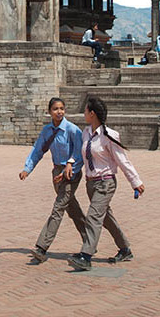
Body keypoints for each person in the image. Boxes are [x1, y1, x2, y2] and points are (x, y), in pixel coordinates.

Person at [70, 96, 143, 271]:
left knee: (94, 216)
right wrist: (71, 164)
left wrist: (135, 181)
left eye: (86, 111)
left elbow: (122, 160)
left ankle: (86, 256)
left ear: (92, 113)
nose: (84, 114)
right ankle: (124, 249)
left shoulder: (109, 135)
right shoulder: (86, 133)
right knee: (105, 218)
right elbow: (83, 156)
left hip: (105, 183)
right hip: (91, 184)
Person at [19, 97, 88, 263]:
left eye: (62, 108)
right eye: (56, 109)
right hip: (56, 172)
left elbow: (80, 153)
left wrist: (70, 167)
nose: (59, 112)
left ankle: (42, 247)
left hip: (71, 172)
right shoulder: (47, 131)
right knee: (73, 209)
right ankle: (90, 239)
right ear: (49, 111)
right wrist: (27, 169)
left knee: (58, 208)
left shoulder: (72, 130)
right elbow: (38, 150)